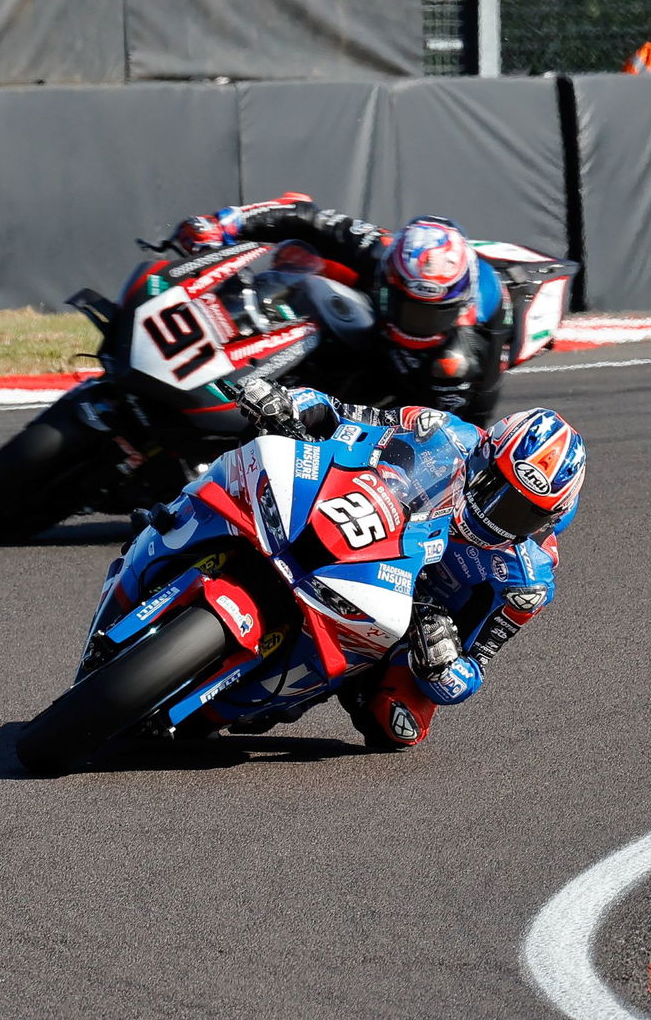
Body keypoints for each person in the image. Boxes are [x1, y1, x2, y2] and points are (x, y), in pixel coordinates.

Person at [234, 380, 586, 749]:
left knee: (399, 724)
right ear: (484, 453)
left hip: (408, 620)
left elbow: (475, 665)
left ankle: (292, 688)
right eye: (491, 486)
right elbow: (343, 414)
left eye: (520, 513)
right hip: (357, 527)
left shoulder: (527, 581)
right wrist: (290, 402)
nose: (495, 513)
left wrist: (444, 664)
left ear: (549, 519)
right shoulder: (439, 431)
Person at [171, 194, 514, 424]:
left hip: (427, 379)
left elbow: (458, 435)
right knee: (301, 256)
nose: (416, 324)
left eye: (430, 315)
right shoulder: (382, 253)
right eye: (409, 309)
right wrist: (224, 225)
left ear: (455, 309)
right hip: (377, 326)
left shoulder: (462, 359)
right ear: (389, 284)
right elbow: (307, 216)